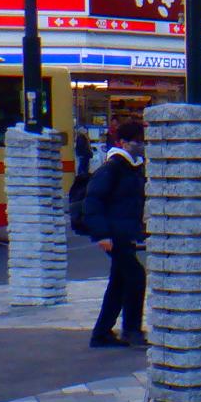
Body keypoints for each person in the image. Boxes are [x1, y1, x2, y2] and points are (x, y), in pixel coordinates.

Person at [83, 120, 146, 349]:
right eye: (135, 141)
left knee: (119, 282)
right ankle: (131, 330)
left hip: (124, 232)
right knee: (136, 277)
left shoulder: (133, 167)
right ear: (122, 142)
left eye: (142, 141)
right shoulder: (113, 168)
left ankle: (101, 334)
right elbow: (93, 201)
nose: (140, 145)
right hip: (114, 234)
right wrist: (102, 234)